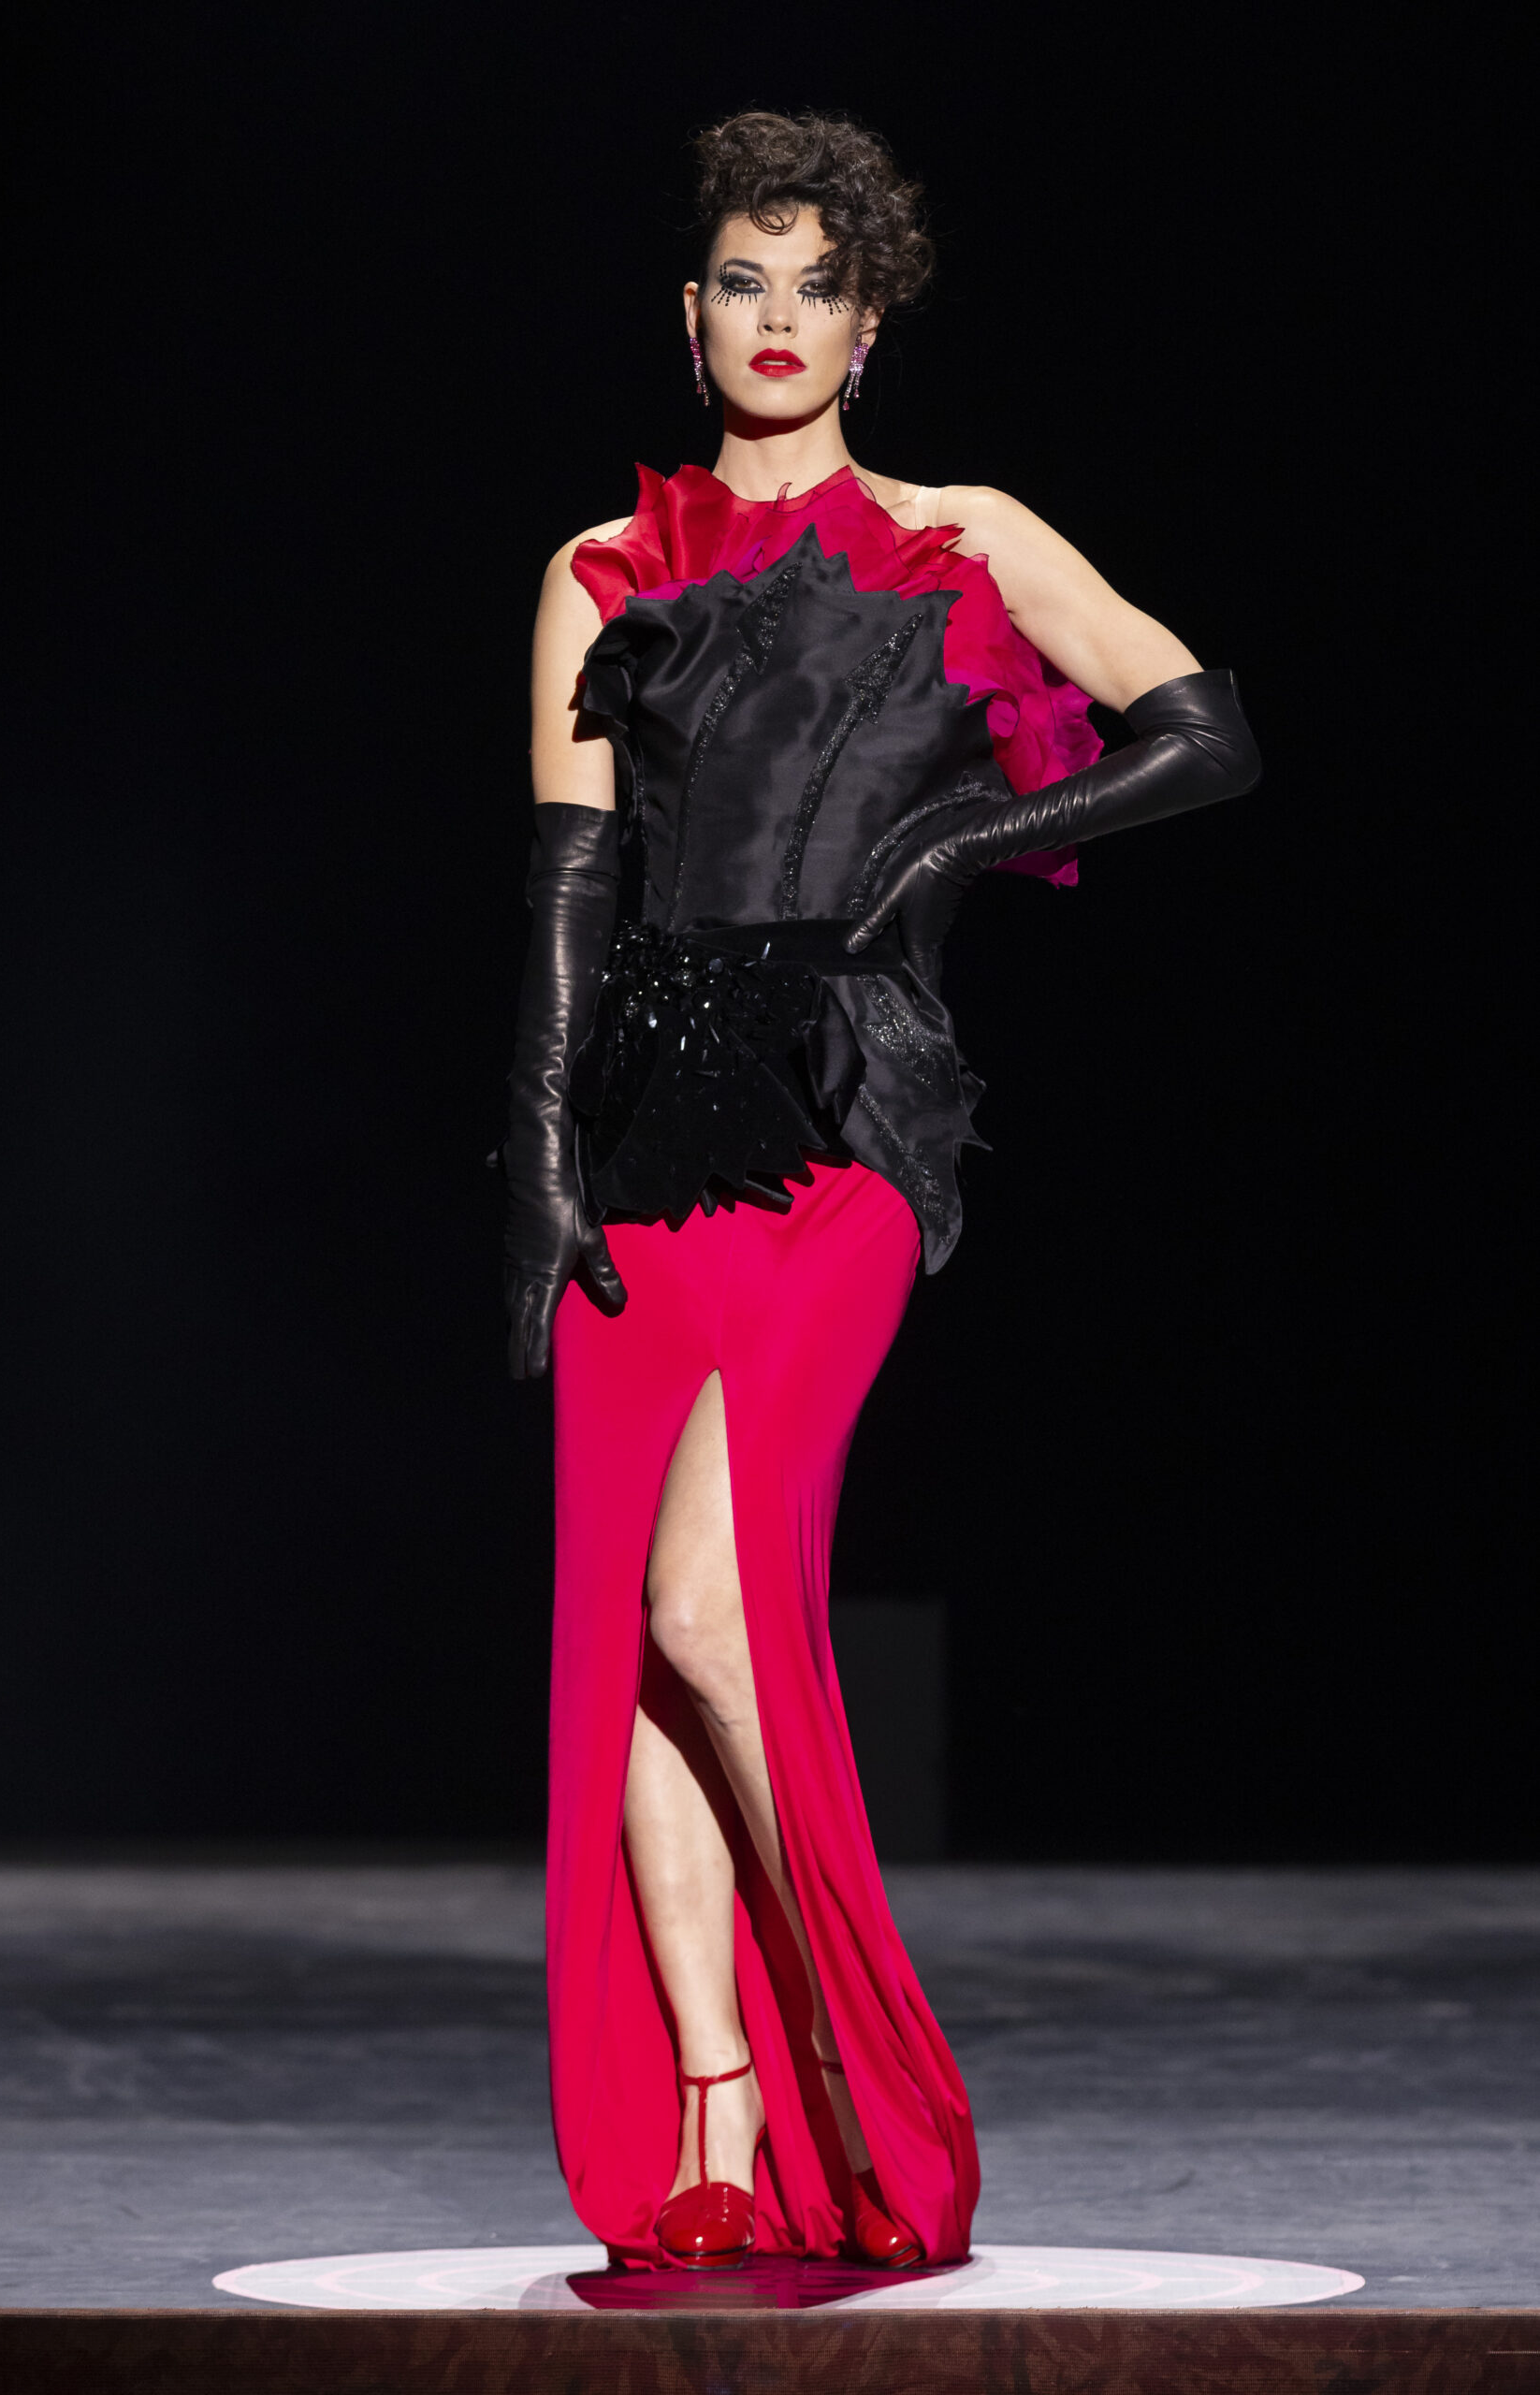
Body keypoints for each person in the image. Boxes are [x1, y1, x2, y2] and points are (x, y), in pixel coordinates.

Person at [499, 109, 1259, 2272]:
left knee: (702, 1607)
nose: (776, 319)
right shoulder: (600, 566)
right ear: (690, 314)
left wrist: (953, 843)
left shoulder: (955, 537)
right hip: (646, 1126)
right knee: (629, 1634)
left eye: (814, 286)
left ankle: (852, 2048)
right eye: (741, 282)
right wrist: (535, 1160)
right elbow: (566, 885)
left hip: (847, 1110)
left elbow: (1205, 729)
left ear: (866, 325)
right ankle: (713, 2102)